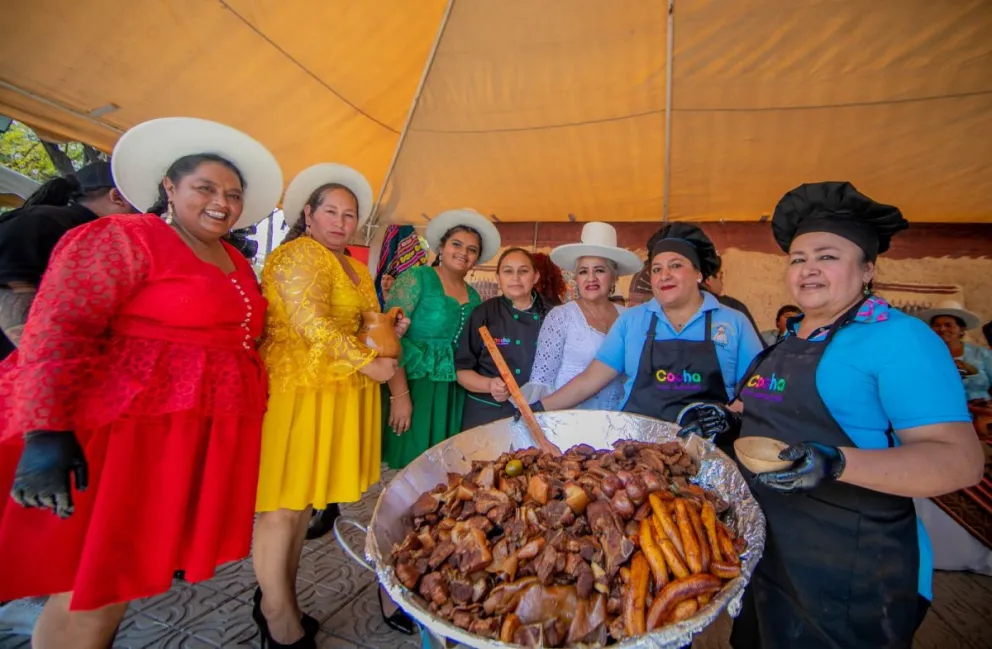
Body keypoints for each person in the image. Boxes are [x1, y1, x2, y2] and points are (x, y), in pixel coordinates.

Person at [0, 116, 283, 649]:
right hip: (122, 434)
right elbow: (61, 324)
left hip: (179, 438)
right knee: (91, 587)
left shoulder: (233, 261)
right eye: (204, 187)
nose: (221, 201)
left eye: (233, 194)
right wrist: (45, 431)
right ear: (168, 188)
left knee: (120, 580)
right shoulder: (124, 236)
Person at [726, 182, 983, 649]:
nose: (808, 270)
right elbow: (767, 418)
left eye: (827, 256)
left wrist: (838, 463)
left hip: (853, 571)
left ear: (867, 269)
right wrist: (729, 423)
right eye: (798, 258)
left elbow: (959, 460)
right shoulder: (789, 337)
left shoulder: (900, 339)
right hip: (769, 554)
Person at [252, 163, 404, 648]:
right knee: (282, 507)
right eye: (331, 211)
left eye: (349, 214)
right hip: (299, 391)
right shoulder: (296, 255)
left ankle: (281, 598)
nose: (341, 221)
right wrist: (369, 362)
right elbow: (309, 323)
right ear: (309, 214)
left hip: (336, 390)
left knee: (303, 507)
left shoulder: (355, 266)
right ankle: (276, 615)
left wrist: (384, 334)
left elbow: (360, 321)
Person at [524, 222, 763, 453]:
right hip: (638, 453)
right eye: (657, 269)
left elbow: (758, 392)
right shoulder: (633, 320)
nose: (664, 276)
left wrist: (729, 415)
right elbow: (591, 379)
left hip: (709, 451)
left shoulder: (733, 322)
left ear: (699, 273)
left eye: (676, 265)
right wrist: (537, 408)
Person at [381, 208, 500, 469]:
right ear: (441, 248)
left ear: (476, 259)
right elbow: (387, 336)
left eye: (472, 249)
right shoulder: (416, 278)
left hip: (453, 393)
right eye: (456, 244)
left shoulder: (475, 296)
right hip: (412, 385)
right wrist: (399, 396)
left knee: (439, 471)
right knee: (407, 470)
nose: (463, 252)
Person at [0, 162, 136, 360]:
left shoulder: (100, 238)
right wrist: (46, 364)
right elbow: (10, 287)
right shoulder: (44, 222)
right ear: (118, 197)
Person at [524, 222, 639, 411]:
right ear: (576, 278)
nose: (591, 278)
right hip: (569, 425)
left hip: (618, 425)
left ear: (614, 276)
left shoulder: (630, 318)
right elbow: (542, 380)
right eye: (583, 271)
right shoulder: (561, 317)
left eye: (599, 270)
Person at [455, 247, 548, 430]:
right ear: (498, 277)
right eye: (508, 271)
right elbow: (462, 371)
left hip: (537, 413)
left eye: (523, 271)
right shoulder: (483, 314)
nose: (515, 278)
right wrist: (489, 384)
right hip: (488, 412)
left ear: (535, 277)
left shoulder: (553, 314)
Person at [921, 300, 992, 404]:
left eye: (948, 325)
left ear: (961, 329)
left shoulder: (981, 354)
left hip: (983, 412)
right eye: (937, 325)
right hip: (941, 411)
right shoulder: (923, 355)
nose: (942, 329)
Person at [700, 254, 764, 346]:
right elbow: (757, 349)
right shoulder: (733, 307)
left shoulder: (679, 307)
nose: (722, 283)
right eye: (720, 277)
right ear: (708, 280)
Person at [374, 224, 428, 308]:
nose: (384, 282)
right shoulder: (375, 298)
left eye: (388, 279)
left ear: (395, 282)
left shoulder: (400, 301)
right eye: (383, 279)